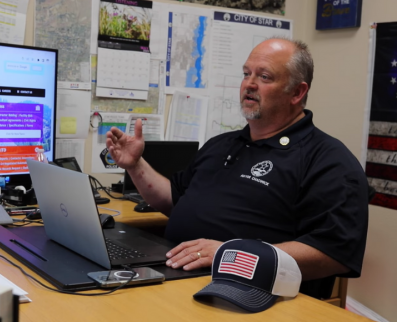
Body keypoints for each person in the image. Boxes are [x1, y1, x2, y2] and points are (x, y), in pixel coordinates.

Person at [106, 37, 368, 299]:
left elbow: (335, 253)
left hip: (250, 295)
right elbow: (175, 200)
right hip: (176, 277)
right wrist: (135, 165)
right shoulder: (221, 144)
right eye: (246, 74)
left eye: (264, 77)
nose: (249, 85)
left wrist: (230, 255)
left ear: (297, 93)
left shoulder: (329, 161)